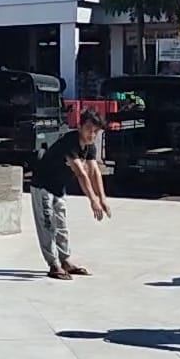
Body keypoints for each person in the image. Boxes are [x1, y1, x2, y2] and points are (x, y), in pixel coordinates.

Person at [30, 109, 110, 280]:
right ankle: (53, 265)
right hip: (43, 187)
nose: (92, 134)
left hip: (59, 189)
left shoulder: (89, 146)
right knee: (48, 225)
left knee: (62, 226)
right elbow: (81, 173)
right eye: (89, 129)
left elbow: (94, 171)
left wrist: (102, 198)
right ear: (79, 126)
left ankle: (65, 260)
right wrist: (92, 200)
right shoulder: (70, 142)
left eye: (96, 131)